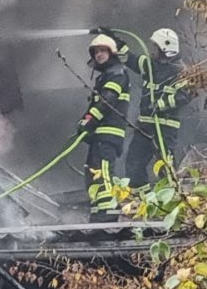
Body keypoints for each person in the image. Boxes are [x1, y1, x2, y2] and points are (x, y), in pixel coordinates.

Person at [78, 32, 132, 223]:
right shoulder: (107, 76)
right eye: (96, 52)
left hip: (108, 133)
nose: (99, 55)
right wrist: (85, 122)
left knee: (104, 172)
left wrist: (89, 120)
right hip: (100, 135)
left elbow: (107, 102)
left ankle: (109, 211)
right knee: (93, 172)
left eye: (103, 51)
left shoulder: (117, 74)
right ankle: (99, 212)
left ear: (112, 53)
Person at [129, 27, 188, 184]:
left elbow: (184, 96)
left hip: (165, 128)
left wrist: (159, 105)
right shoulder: (151, 65)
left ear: (165, 48)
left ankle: (172, 199)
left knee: (165, 167)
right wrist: (115, 43)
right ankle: (139, 200)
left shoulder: (180, 72)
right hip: (144, 126)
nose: (152, 50)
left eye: (155, 47)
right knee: (134, 164)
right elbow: (131, 59)